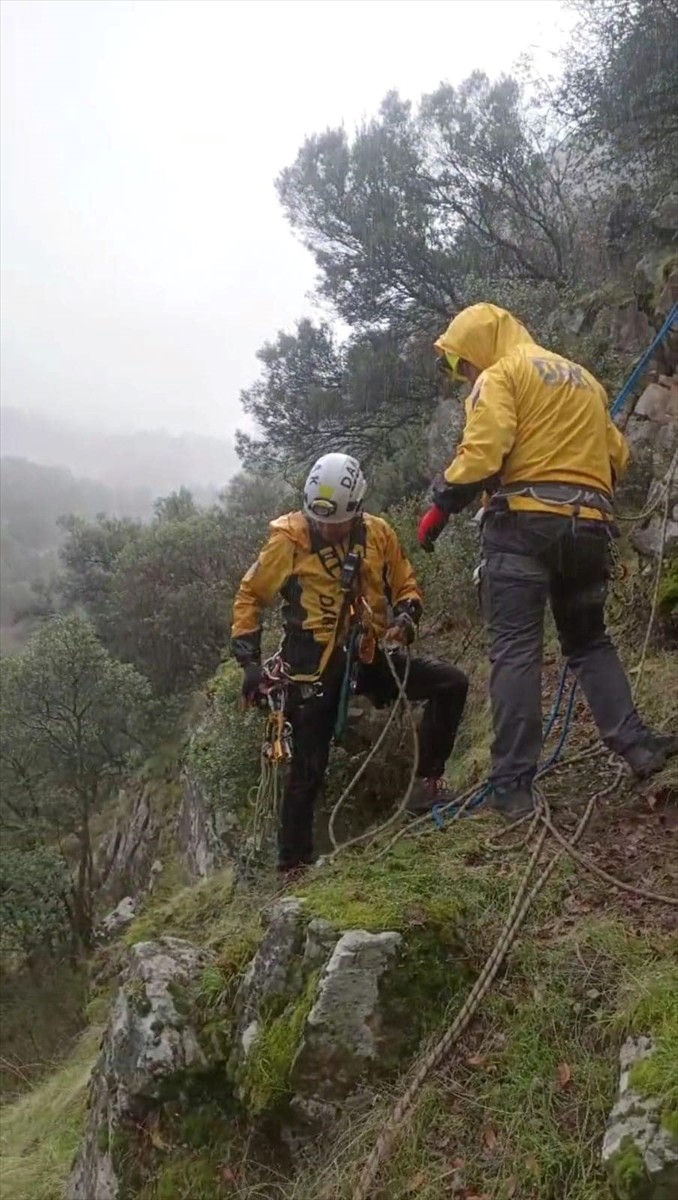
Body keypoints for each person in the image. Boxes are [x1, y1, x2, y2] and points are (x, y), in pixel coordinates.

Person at [418, 302, 677, 820]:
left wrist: (441, 504)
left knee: (516, 650)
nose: (465, 374)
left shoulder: (501, 375)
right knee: (589, 640)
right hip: (589, 529)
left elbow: (485, 452)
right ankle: (637, 746)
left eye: (462, 362)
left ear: (480, 346)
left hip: (523, 526)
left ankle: (512, 785)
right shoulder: (583, 378)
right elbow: (618, 456)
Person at [231, 452, 469, 873]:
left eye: (337, 522)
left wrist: (406, 617)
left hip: (367, 656)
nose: (327, 528)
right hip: (312, 668)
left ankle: (426, 784)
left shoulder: (378, 534)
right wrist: (249, 662)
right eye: (320, 521)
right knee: (308, 767)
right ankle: (293, 865)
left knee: (451, 683)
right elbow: (251, 595)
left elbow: (406, 584)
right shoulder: (289, 540)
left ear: (357, 508)